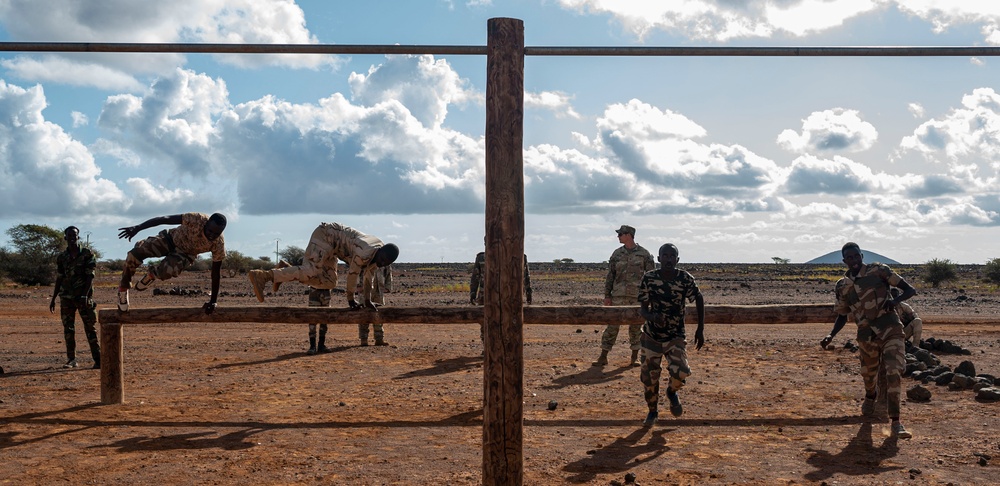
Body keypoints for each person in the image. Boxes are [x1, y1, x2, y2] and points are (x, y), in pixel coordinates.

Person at [820, 242, 916, 439]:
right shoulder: (842, 286)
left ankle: (896, 422)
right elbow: (842, 314)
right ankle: (870, 395)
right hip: (866, 335)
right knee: (868, 374)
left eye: (856, 256)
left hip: (891, 328)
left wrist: (894, 302)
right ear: (844, 261)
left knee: (893, 371)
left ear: (862, 256)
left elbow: (909, 290)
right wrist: (831, 335)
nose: (854, 261)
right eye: (849, 258)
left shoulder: (879, 271)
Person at [248, 222, 399, 309]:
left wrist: (367, 300)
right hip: (326, 236)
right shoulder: (365, 251)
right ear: (380, 251)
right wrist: (351, 300)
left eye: (386, 263)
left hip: (334, 249)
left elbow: (368, 278)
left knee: (329, 282)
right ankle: (264, 276)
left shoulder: (377, 258)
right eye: (383, 259)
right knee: (311, 271)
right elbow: (353, 275)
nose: (382, 263)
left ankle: (285, 270)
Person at [638, 243, 705, 426]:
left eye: (672, 256)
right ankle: (652, 412)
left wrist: (700, 329)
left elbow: (698, 297)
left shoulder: (684, 278)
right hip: (651, 336)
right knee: (649, 378)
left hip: (675, 335)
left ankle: (671, 392)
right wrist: (653, 317)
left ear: (677, 259)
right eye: (664, 256)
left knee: (681, 371)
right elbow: (642, 310)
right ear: (658, 259)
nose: (668, 259)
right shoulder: (649, 278)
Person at [117, 212, 227, 314]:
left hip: (185, 254)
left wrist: (213, 301)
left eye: (216, 233)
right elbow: (164, 219)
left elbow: (216, 274)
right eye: (210, 231)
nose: (212, 235)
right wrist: (138, 228)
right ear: (206, 224)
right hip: (170, 239)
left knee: (167, 271)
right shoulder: (197, 219)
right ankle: (123, 289)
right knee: (134, 254)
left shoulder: (218, 244)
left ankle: (152, 274)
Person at [593, 224, 654, 367]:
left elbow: (651, 277)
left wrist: (650, 297)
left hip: (636, 297)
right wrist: (607, 295)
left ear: (628, 235)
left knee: (636, 327)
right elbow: (611, 276)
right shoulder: (616, 254)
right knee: (612, 325)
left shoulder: (644, 254)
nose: (618, 237)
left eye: (620, 234)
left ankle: (635, 358)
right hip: (618, 296)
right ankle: (603, 356)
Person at [49, 226, 101, 369]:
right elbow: (59, 278)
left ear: (78, 237)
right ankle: (71, 359)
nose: (72, 237)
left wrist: (85, 294)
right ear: (65, 238)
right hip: (66, 297)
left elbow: (90, 276)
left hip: (83, 297)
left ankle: (98, 359)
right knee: (68, 329)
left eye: (75, 235)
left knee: (90, 328)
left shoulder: (87, 254)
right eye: (69, 235)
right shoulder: (62, 257)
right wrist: (53, 298)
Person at [469, 240, 532, 306]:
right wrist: (529, 294)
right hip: (510, 298)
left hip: (488, 297)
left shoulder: (481, 258)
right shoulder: (519, 257)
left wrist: (473, 294)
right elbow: (526, 278)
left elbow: (475, 278)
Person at [359, 265, 393, 346]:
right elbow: (357, 271)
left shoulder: (384, 258)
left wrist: (388, 287)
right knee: (364, 315)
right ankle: (363, 339)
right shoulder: (365, 257)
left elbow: (388, 273)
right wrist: (358, 285)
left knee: (379, 315)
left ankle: (379, 339)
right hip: (365, 291)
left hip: (379, 292)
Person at [306, 287, 332, 355]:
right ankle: (312, 346)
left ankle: (321, 344)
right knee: (313, 318)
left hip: (326, 291)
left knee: (324, 319)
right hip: (314, 290)